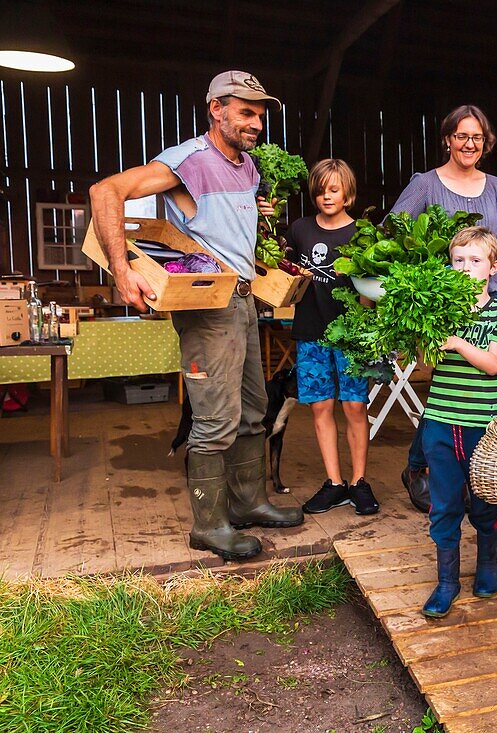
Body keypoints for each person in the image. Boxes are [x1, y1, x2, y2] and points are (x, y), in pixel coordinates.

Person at [88, 70, 303, 561]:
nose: (256, 123)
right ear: (216, 109)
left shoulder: (246, 166)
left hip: (245, 298)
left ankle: (249, 502)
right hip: (207, 302)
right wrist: (124, 273)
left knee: (253, 409)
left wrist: (256, 210)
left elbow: (219, 222)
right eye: (246, 112)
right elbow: (105, 191)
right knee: (215, 416)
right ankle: (209, 525)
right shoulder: (189, 159)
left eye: (260, 114)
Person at [393, 105, 497, 514]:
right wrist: (438, 258)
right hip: (441, 301)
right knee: (447, 386)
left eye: (477, 138)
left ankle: (475, 474)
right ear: (447, 139)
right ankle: (421, 465)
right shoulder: (426, 185)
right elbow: (394, 232)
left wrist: (473, 248)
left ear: (486, 144)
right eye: (461, 136)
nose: (469, 144)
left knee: (483, 388)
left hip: (488, 298)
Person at [419, 226, 497, 618]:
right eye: (458, 260)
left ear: (492, 267)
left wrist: (458, 342)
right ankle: (447, 581)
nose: (465, 268)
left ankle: (488, 566)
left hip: (483, 426)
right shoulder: (440, 309)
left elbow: (494, 364)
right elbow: (428, 365)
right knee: (443, 503)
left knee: (484, 500)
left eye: (475, 261)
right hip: (441, 422)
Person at [285, 159, 379, 517]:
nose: (327, 196)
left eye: (335, 189)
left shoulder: (361, 234)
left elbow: (373, 288)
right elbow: (285, 267)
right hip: (310, 331)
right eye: (322, 189)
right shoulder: (300, 229)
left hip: (351, 334)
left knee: (355, 406)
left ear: (348, 194)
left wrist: (366, 316)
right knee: (321, 406)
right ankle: (334, 482)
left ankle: (359, 482)